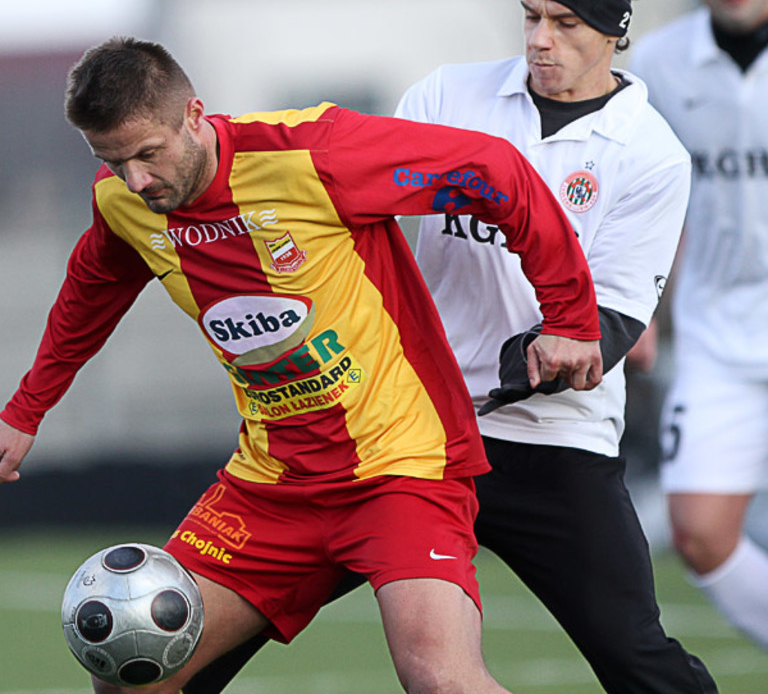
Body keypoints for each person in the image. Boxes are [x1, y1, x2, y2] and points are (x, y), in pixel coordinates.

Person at [176, 0, 720, 694]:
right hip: (406, 434)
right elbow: (365, 222)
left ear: (614, 30)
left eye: (565, 24)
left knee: (637, 657)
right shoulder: (445, 96)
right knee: (184, 655)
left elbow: (619, 314)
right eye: (530, 16)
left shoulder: (651, 152)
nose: (540, 40)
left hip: (551, 443)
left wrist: (549, 351)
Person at [0, 36, 604, 694]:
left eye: (149, 153)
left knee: (441, 679)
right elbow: (90, 293)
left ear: (195, 116)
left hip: (399, 468)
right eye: (114, 161)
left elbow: (496, 170)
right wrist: (25, 411)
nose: (137, 180)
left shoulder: (310, 153)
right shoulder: (123, 204)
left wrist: (571, 319)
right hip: (272, 487)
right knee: (130, 677)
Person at [631, 0, 768, 651]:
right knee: (701, 534)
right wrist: (643, 307)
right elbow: (644, 199)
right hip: (716, 339)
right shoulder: (661, 64)